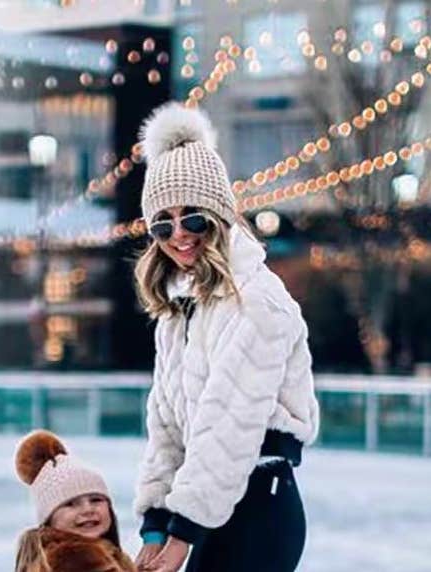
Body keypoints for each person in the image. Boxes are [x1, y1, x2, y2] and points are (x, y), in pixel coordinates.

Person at [130, 103, 320, 572]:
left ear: (218, 215)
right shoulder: (180, 310)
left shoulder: (259, 303)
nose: (179, 235)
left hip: (259, 503)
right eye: (163, 223)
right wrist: (156, 520)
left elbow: (228, 428)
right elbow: (167, 428)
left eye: (192, 217)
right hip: (212, 504)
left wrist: (182, 534)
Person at [14, 430, 136, 572]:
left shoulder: (105, 552)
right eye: (71, 504)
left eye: (96, 500)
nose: (88, 510)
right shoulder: (71, 560)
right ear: (49, 519)